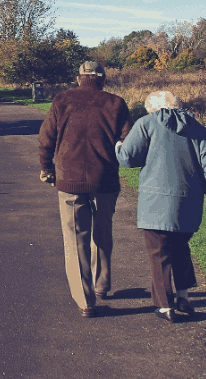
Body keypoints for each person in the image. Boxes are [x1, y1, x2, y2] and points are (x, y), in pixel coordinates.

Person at [116, 90, 206, 322]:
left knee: (159, 253)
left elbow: (127, 158)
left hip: (155, 203)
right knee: (180, 247)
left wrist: (118, 146)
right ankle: (183, 296)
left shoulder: (146, 124)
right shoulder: (198, 128)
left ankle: (165, 306)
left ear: (154, 108)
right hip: (189, 202)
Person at [37, 61, 133, 317]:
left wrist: (47, 169)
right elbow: (128, 141)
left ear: (79, 78)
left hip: (70, 180)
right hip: (106, 180)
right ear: (102, 78)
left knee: (75, 239)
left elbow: (45, 139)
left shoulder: (62, 100)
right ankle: (102, 285)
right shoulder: (116, 103)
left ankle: (85, 300)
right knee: (103, 233)